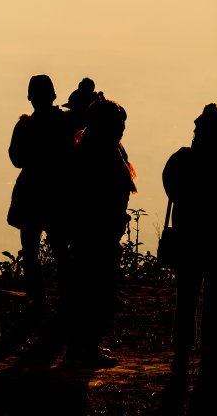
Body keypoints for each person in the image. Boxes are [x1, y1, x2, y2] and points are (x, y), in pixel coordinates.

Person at [162, 103, 217, 396]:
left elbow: (172, 190)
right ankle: (210, 357)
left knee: (186, 301)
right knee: (215, 301)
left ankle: (180, 359)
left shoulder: (181, 161)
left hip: (187, 241)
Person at [62, 95, 134, 366]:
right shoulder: (99, 153)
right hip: (96, 233)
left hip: (93, 232)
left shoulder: (92, 149)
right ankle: (83, 349)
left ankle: (83, 347)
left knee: (89, 291)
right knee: (96, 292)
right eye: (120, 124)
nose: (123, 129)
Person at [7, 74, 71, 313]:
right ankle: (66, 298)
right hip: (58, 194)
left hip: (31, 193)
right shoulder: (66, 122)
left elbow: (16, 159)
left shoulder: (25, 126)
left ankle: (38, 299)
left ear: (30, 98)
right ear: (54, 96)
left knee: (30, 250)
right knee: (61, 250)